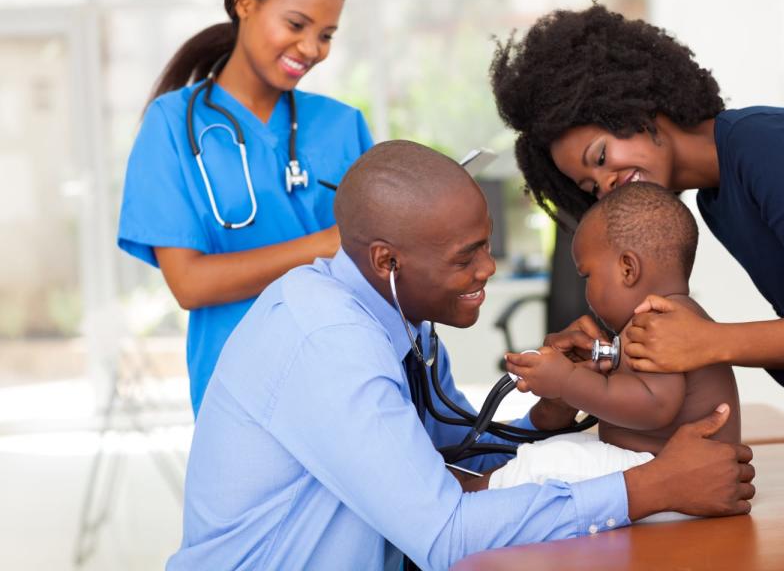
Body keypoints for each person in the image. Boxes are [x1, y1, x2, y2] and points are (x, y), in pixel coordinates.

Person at [489, 2, 784, 553]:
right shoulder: (717, 198)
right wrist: (624, 355)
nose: (607, 181)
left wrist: (705, 342)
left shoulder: (765, 148)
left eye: (600, 155)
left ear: (634, 108)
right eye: (590, 187)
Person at [167, 141, 754, 570]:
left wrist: (544, 422)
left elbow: (442, 454)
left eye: (487, 245)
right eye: (465, 257)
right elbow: (444, 530)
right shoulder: (328, 343)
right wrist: (656, 487)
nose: (488, 269)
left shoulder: (401, 323)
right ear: (386, 262)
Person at [117, 0, 373, 415]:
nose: (312, 47)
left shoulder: (342, 124)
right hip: (237, 386)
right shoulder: (172, 125)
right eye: (296, 24)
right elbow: (190, 284)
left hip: (346, 370)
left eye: (326, 35)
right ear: (245, 2)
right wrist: (324, 245)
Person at [496, 182, 740, 499]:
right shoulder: (673, 316)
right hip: (660, 464)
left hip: (675, 472)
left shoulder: (657, 322)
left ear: (627, 269)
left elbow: (654, 405)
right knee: (559, 448)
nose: (586, 291)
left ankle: (458, 502)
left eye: (588, 276)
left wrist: (566, 381)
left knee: (541, 462)